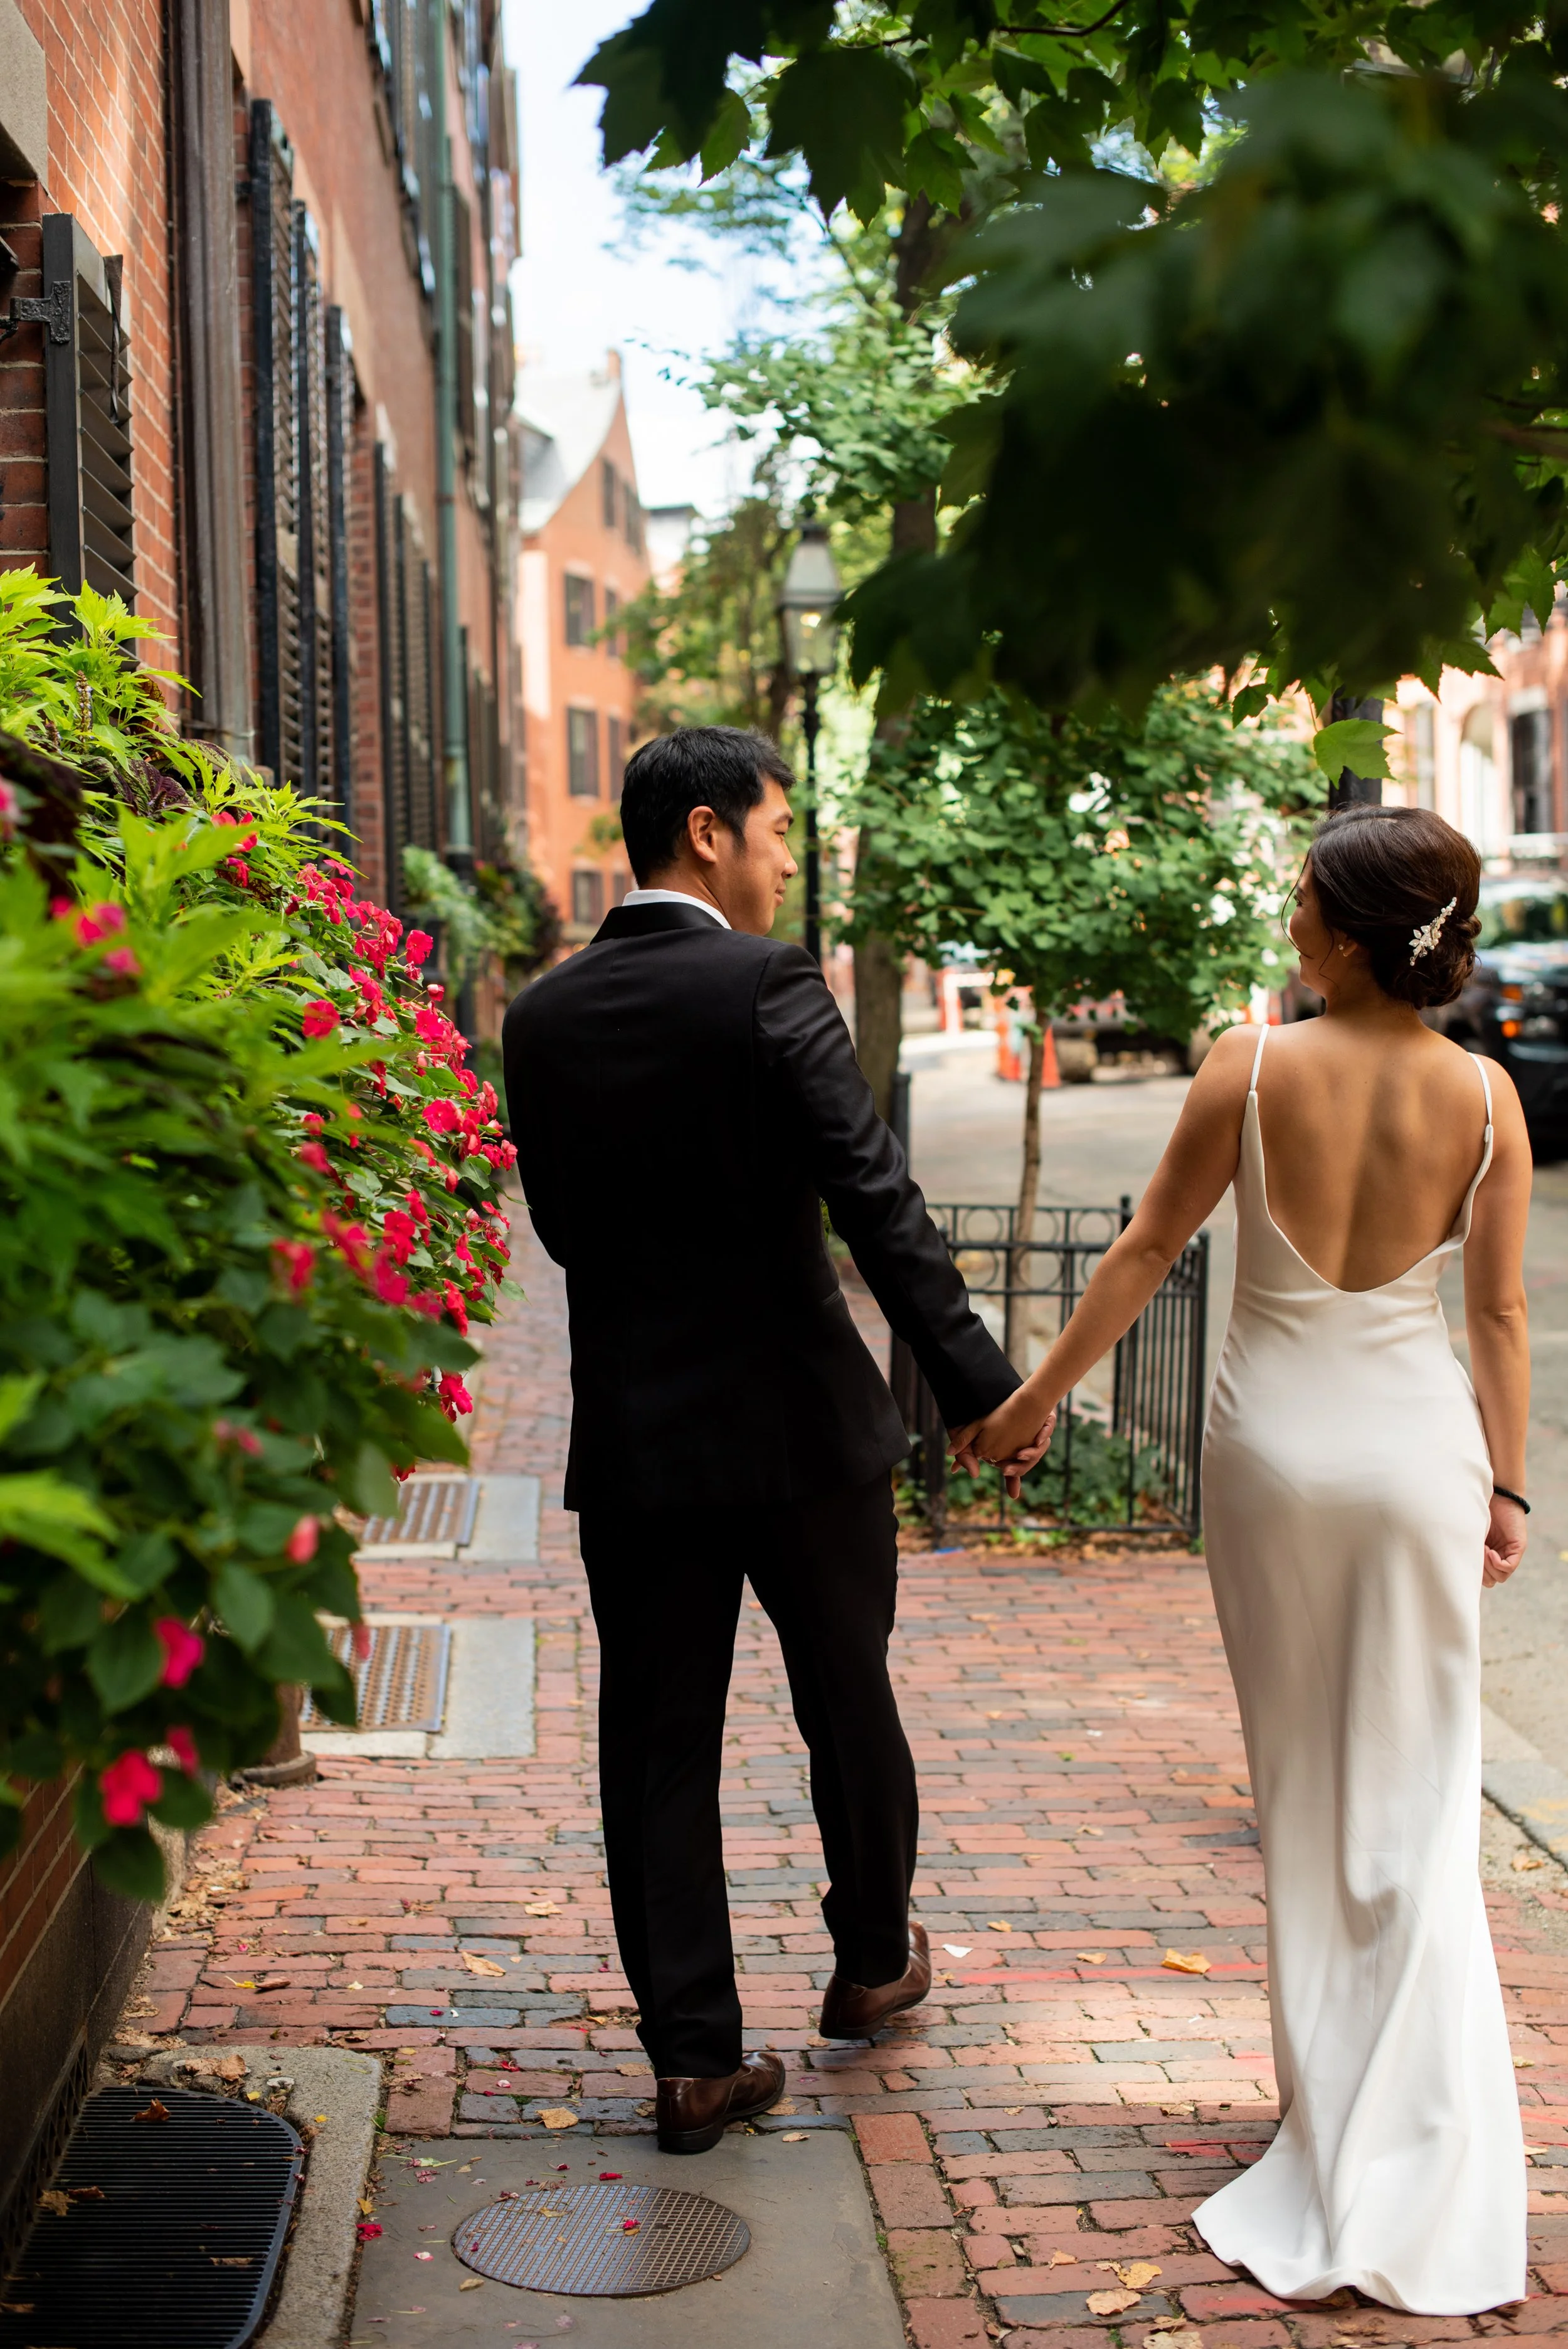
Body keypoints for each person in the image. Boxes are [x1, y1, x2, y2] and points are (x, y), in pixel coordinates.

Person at [961, 805, 1530, 2314]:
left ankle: (1328, 2115)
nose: (1287, 926)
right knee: (1413, 1788)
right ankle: (1417, 2130)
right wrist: (1510, 1489)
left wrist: (1030, 1400)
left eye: (1300, 906)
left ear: (1348, 934)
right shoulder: (1483, 1099)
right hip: (1420, 1463)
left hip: (1274, 1459)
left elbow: (1147, 1248)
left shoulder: (1248, 1065)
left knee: (1299, 1782)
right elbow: (1493, 1321)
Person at [502, 725, 1020, 2155]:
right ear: (710, 832)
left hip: (640, 1446)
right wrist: (975, 1385)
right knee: (845, 1699)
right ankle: (868, 1964)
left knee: (654, 1745)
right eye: (779, 828)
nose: (789, 855)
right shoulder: (763, 983)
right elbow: (872, 1194)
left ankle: (693, 2062)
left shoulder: (538, 1019)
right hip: (801, 1427)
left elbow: (556, 1231)